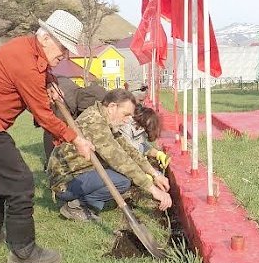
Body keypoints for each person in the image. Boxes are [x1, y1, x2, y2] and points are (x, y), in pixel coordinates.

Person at [0, 9, 94, 263]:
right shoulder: (26, 63)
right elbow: (44, 115)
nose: (65, 55)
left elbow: (41, 72)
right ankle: (23, 252)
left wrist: (50, 78)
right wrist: (77, 139)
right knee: (21, 183)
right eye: (63, 48)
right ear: (47, 38)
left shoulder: (28, 49)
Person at [46, 89, 172, 222]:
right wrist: (153, 190)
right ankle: (76, 206)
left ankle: (84, 201)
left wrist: (154, 174)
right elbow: (120, 159)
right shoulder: (94, 122)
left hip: (80, 173)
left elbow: (128, 149)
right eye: (126, 114)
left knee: (125, 177)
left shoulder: (104, 117)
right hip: (65, 183)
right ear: (112, 107)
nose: (127, 120)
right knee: (122, 180)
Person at [119, 104, 171, 171]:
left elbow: (143, 145)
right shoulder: (126, 126)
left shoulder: (139, 129)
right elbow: (132, 151)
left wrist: (158, 154)